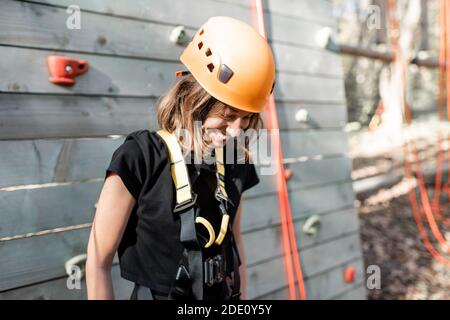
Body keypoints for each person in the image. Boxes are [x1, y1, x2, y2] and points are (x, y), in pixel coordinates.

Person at [86, 16, 275, 300]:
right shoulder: (140, 157)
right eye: (228, 115)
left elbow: (234, 245)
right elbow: (98, 262)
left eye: (247, 118)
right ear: (194, 97)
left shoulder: (236, 162)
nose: (238, 130)